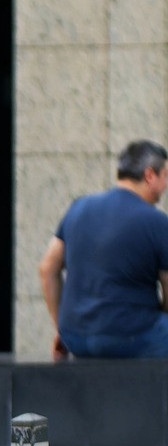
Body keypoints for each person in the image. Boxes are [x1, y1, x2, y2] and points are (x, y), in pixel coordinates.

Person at [39, 139, 168, 360]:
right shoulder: (157, 221)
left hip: (76, 338)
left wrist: (61, 328)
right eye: (165, 175)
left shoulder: (78, 208)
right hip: (133, 337)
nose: (166, 184)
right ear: (149, 176)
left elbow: (46, 268)